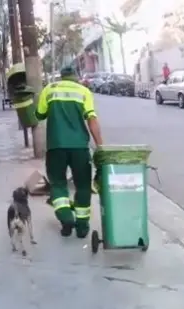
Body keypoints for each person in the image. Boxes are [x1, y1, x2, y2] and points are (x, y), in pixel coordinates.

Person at [36, 67, 103, 238]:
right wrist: (100, 147)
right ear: (76, 77)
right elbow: (92, 119)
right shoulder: (84, 91)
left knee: (58, 184)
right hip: (79, 147)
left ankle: (65, 217)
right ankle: (82, 227)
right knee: (82, 185)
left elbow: (39, 115)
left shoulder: (49, 90)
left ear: (61, 77)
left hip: (55, 146)